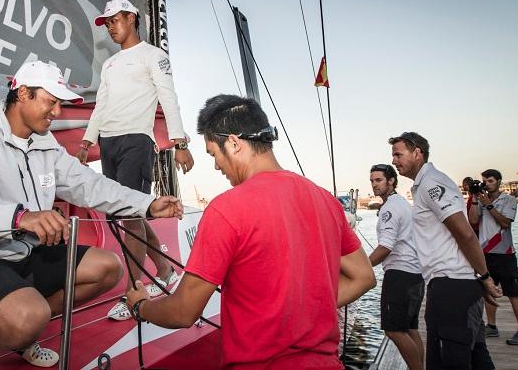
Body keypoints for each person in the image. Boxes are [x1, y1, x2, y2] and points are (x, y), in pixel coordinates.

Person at [0, 61, 183, 369]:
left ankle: (22, 330)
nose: (57, 112)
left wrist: (147, 204)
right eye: (51, 101)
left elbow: (91, 185)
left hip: (25, 253)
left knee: (107, 268)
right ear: (23, 94)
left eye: (60, 103)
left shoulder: (47, 146)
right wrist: (20, 218)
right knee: (27, 317)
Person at [125, 94, 376, 369]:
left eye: (213, 154)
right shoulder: (325, 200)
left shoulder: (226, 209)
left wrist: (141, 306)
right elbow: (363, 277)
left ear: (233, 143)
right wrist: (303, 309)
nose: (216, 166)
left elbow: (184, 311)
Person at [78, 0, 194, 320]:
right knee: (130, 212)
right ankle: (166, 271)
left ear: (131, 18)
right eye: (107, 23)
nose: (111, 28)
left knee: (130, 214)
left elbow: (169, 97)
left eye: (115, 20)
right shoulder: (110, 65)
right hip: (108, 144)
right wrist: (88, 142)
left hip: (136, 142)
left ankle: (133, 291)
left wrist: (179, 142)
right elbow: (100, 105)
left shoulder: (154, 56)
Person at [388, 132, 501, 370]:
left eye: (398, 154)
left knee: (450, 362)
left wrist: (485, 277)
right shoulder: (423, 186)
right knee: (477, 358)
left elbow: (465, 233)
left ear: (417, 153)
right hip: (450, 285)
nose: (394, 161)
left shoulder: (431, 183)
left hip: (452, 288)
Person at [368, 164, 424, 370]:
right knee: (410, 328)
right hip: (415, 273)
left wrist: (363, 268)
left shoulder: (390, 208)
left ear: (391, 181)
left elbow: (385, 247)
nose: (374, 185)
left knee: (394, 330)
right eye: (372, 181)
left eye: (379, 180)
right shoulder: (401, 203)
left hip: (400, 274)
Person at [468, 169, 518, 344]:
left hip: (505, 253)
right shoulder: (481, 200)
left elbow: (505, 223)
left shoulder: (509, 200)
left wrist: (489, 205)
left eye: (490, 181)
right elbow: (473, 221)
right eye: (484, 181)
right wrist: (475, 199)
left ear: (498, 181)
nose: (486, 184)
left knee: (513, 293)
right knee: (488, 291)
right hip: (485, 253)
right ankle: (492, 326)